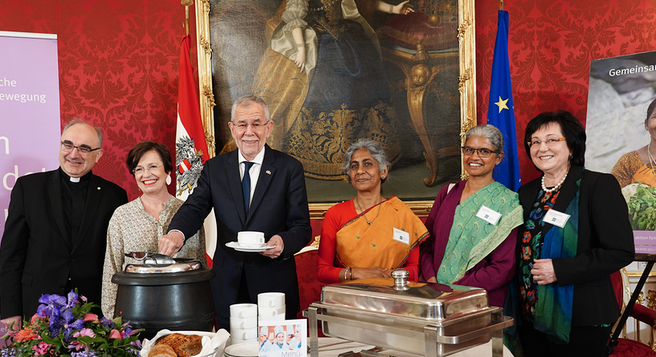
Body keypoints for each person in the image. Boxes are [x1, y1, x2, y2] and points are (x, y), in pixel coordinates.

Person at [509, 110, 634, 357]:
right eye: (534, 141)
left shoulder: (597, 185)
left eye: (551, 139)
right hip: (533, 316)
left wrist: (561, 269)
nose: (541, 147)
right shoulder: (528, 191)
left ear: (571, 145)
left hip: (580, 317)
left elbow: (620, 250)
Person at [251, 0, 413, 180]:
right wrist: (301, 48)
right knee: (331, 85)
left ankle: (364, 155)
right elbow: (295, 16)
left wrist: (393, 9)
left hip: (349, 39)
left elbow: (364, 1)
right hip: (319, 41)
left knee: (366, 84)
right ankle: (324, 155)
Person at [158, 95, 312, 330]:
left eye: (256, 123)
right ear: (232, 129)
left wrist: (282, 242)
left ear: (268, 128)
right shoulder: (215, 168)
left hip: (273, 286)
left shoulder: (289, 168)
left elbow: (301, 227)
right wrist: (177, 233)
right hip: (228, 285)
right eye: (242, 124)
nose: (249, 131)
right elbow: (195, 206)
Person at [0, 118, 128, 331]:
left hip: (93, 308)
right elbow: (11, 253)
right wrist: (11, 309)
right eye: (68, 145)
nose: (74, 154)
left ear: (99, 154)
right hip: (38, 306)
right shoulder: (29, 189)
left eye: (84, 148)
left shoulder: (114, 196)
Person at [420, 125, 522, 307]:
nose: (474, 157)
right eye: (469, 150)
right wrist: (432, 278)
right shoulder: (448, 192)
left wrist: (456, 290)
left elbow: (504, 267)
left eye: (484, 151)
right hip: (436, 295)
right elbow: (426, 242)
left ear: (498, 158)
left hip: (480, 300)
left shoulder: (509, 203)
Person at [100, 142, 205, 318]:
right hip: (134, 314)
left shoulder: (190, 213)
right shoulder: (121, 215)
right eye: (139, 169)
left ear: (168, 170)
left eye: (153, 167)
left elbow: (200, 266)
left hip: (183, 312)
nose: (146, 174)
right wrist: (113, 320)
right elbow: (111, 270)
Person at [316, 139, 429, 283]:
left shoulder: (402, 214)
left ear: (383, 171)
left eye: (367, 164)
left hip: (392, 296)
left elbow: (414, 268)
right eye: (354, 166)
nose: (360, 171)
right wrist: (356, 273)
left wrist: (385, 276)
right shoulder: (335, 214)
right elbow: (322, 271)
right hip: (350, 298)